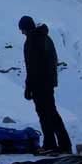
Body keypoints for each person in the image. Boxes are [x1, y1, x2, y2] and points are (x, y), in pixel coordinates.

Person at [19, 15, 72, 155]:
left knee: (45, 114)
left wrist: (29, 87)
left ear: (26, 28)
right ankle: (62, 144)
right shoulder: (45, 37)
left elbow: (33, 67)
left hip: (40, 84)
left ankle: (51, 144)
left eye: (22, 29)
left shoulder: (33, 40)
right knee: (51, 113)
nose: (21, 32)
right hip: (47, 83)